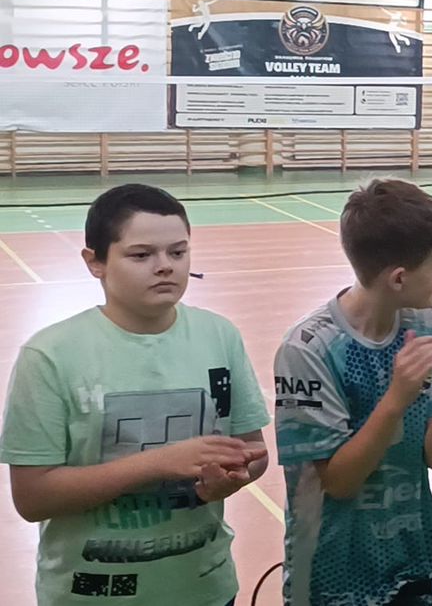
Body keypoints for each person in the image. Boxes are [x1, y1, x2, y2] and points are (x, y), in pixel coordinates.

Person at [0, 185, 269, 606]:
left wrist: (229, 479)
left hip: (205, 588)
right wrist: (158, 463)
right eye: (141, 255)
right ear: (95, 262)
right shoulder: (50, 356)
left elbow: (253, 452)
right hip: (91, 595)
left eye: (178, 252)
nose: (165, 267)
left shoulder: (220, 336)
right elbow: (33, 498)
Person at [275, 180, 432, 606]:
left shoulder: (430, 322)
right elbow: (339, 482)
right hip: (332, 574)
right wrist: (395, 399)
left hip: (411, 560)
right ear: (399, 278)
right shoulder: (309, 349)